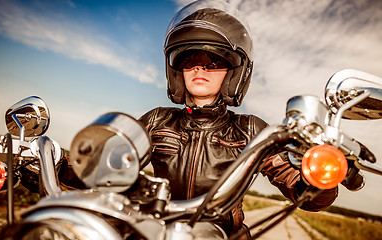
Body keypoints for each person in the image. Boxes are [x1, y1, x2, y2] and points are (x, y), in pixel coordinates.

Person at [138, 0, 338, 239]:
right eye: (189, 60)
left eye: (214, 61)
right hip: (156, 232)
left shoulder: (251, 130)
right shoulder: (157, 120)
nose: (199, 68)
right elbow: (105, 161)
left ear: (233, 73)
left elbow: (301, 190)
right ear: (177, 70)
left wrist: (320, 174)